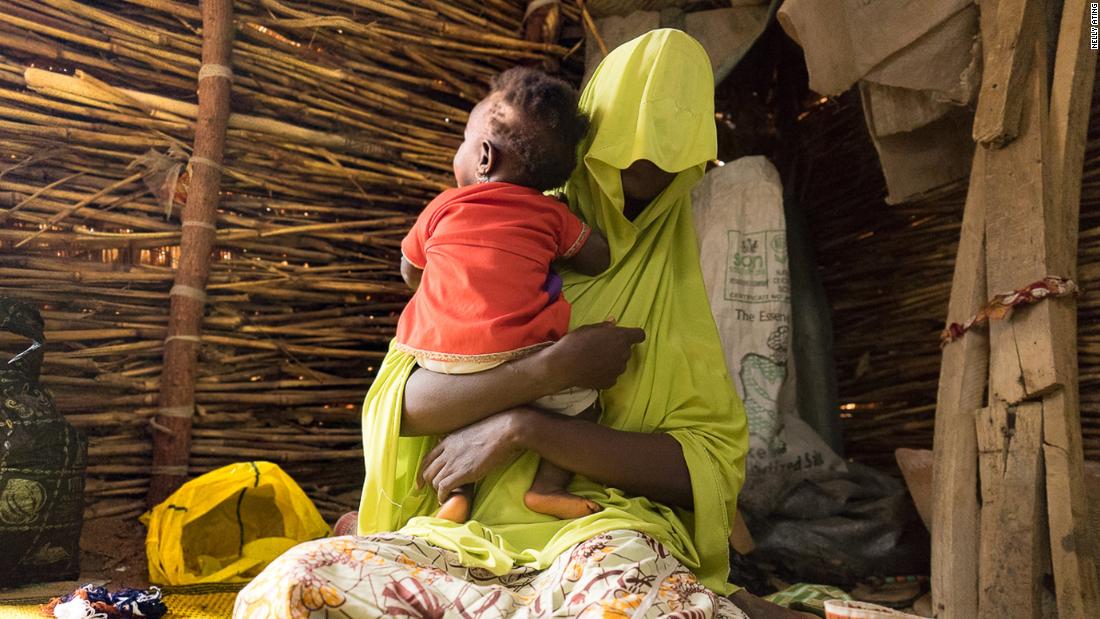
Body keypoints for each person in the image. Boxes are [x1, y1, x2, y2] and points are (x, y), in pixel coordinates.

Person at [234, 30, 810, 619]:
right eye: (615, 174)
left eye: (666, 180)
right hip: (458, 532)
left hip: (601, 538)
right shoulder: (497, 240)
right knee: (294, 585)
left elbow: (705, 471)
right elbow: (401, 406)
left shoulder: (673, 290)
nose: (633, 206)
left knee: (637, 607)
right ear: (586, 148)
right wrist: (550, 370)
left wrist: (524, 428)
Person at [394, 66, 612, 523]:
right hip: (522, 352)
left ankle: (455, 495)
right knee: (587, 405)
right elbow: (598, 259)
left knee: (459, 417)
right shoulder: (552, 215)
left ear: (485, 158)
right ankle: (547, 487)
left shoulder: (441, 208)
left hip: (440, 361)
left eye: (463, 143)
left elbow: (410, 272)